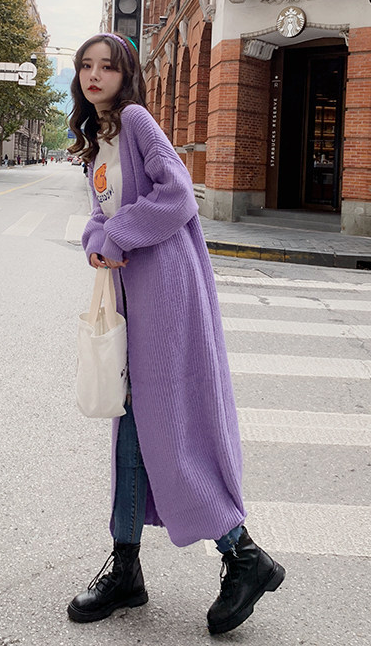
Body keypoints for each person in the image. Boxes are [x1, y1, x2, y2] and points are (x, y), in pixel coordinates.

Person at [66, 32, 284, 635]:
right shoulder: (100, 138)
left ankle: (241, 554)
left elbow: (178, 193)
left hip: (165, 289)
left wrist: (117, 236)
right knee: (133, 424)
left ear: (125, 75)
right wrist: (96, 239)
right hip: (131, 291)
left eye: (107, 67)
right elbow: (102, 213)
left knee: (166, 423)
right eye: (85, 66)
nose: (94, 75)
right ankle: (132, 568)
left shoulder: (136, 121)